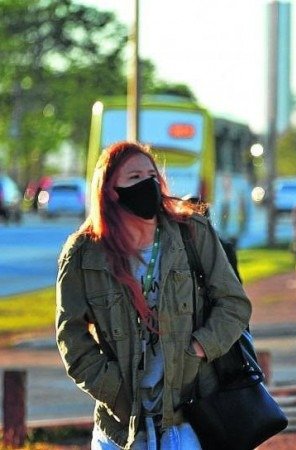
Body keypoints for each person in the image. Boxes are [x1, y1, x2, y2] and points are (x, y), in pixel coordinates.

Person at [55, 141, 252, 449]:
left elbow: (234, 304)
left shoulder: (192, 232)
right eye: (134, 178)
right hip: (120, 428)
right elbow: (71, 337)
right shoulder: (82, 254)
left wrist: (199, 347)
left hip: (190, 418)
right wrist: (115, 391)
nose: (147, 184)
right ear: (110, 190)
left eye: (152, 175)